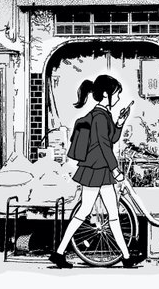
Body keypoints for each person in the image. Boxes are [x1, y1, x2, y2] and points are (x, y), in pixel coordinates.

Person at [49, 75, 138, 269]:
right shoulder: (99, 116)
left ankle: (125, 257)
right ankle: (125, 257)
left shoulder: (103, 114)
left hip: (96, 169)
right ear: (106, 94)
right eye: (117, 93)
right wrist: (115, 170)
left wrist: (120, 122)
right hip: (98, 169)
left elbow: (112, 139)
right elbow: (105, 146)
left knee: (97, 212)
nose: (118, 97)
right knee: (99, 213)